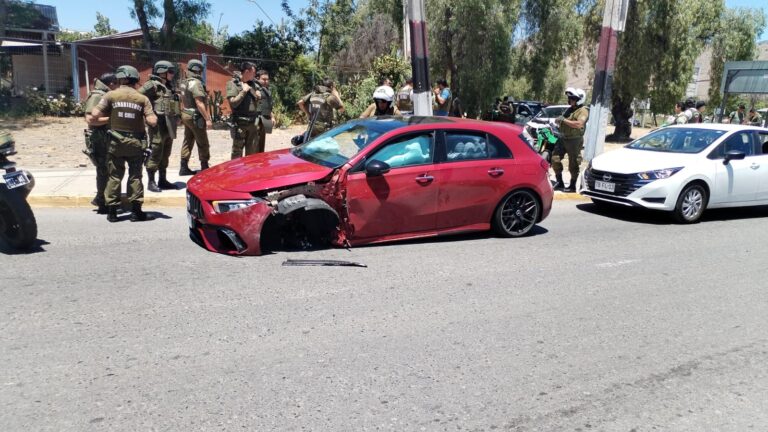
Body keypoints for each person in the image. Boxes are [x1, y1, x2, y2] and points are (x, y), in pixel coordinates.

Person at [89, 65, 157, 222]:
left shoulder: (111, 95)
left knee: (114, 176)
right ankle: (136, 212)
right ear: (135, 80)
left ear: (121, 79)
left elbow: (94, 114)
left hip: (115, 143)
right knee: (135, 177)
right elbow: (152, 121)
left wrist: (113, 115)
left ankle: (112, 212)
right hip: (135, 144)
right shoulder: (142, 98)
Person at [139, 60, 179, 192]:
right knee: (155, 151)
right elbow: (138, 97)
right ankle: (151, 182)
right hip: (157, 126)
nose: (173, 74)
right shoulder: (152, 85)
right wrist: (148, 114)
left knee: (165, 153)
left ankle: (162, 180)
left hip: (168, 125)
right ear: (162, 72)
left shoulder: (166, 86)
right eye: (170, 71)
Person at [83, 72, 118, 214]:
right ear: (111, 84)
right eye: (116, 83)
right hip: (99, 138)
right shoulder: (98, 95)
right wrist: (113, 118)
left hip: (105, 136)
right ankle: (101, 201)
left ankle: (103, 198)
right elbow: (90, 119)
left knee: (108, 169)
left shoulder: (105, 94)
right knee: (103, 170)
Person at [552, 87, 589, 192]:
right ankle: (559, 182)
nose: (570, 100)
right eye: (570, 98)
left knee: (573, 163)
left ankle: (572, 186)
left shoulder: (583, 110)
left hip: (574, 140)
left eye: (573, 98)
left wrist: (564, 120)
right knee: (555, 158)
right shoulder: (569, 109)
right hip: (563, 138)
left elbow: (579, 124)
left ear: (579, 99)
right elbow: (562, 120)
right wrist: (559, 120)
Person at [179, 59, 212, 175]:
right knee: (202, 141)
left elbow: (182, 99)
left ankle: (183, 166)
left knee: (188, 140)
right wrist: (207, 119)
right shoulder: (196, 83)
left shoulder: (184, 82)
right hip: (195, 117)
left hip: (186, 114)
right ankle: (205, 166)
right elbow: (199, 103)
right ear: (198, 70)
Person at [226, 61, 262, 159]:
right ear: (247, 71)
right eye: (253, 72)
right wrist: (244, 91)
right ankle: (235, 172)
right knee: (237, 152)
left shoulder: (254, 84)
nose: (255, 75)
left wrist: (258, 95)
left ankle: (249, 172)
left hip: (253, 123)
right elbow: (233, 103)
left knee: (252, 151)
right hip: (240, 123)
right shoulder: (233, 84)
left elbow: (257, 100)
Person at [254, 69, 275, 155]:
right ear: (257, 78)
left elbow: (269, 105)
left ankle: (259, 161)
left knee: (261, 143)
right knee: (254, 144)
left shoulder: (266, 90)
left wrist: (272, 117)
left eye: (267, 79)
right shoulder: (254, 88)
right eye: (263, 79)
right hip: (256, 119)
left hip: (265, 119)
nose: (266, 81)